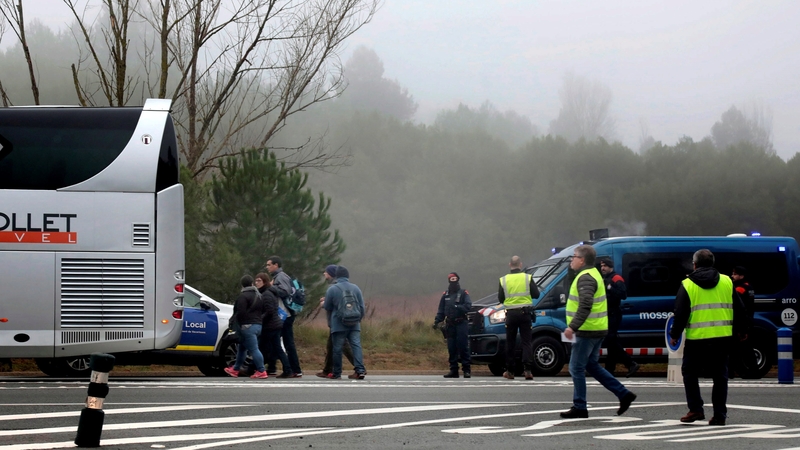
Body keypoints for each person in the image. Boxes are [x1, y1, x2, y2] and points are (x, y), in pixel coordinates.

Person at [669, 249, 749, 425]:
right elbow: (740, 308)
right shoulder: (727, 281)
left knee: (689, 373)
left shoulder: (688, 284)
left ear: (695, 264)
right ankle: (720, 414)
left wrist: (674, 334)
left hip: (697, 338)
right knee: (720, 376)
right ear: (713, 264)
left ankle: (696, 409)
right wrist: (742, 330)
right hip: (722, 337)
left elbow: (681, 313)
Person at [561, 245, 636, 419]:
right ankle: (623, 394)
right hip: (597, 328)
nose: (572, 260)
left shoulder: (586, 278)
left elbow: (585, 304)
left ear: (582, 259)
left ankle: (580, 406)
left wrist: (573, 327)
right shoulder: (593, 274)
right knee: (591, 365)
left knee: (575, 368)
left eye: (574, 257)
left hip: (586, 331)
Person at [498, 255, 540, 380]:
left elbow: (501, 298)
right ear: (520, 265)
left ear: (509, 265)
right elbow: (536, 294)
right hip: (525, 313)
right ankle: (527, 370)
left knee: (510, 342)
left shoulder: (503, 280)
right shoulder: (527, 277)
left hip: (511, 314)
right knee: (526, 342)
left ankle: (510, 371)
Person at [323, 265, 367, 379]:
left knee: (337, 348)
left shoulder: (332, 289)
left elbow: (327, 306)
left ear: (337, 276)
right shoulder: (356, 288)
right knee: (356, 346)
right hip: (354, 323)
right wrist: (358, 319)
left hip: (338, 324)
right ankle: (360, 371)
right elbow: (362, 307)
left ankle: (337, 373)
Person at [598, 257, 640, 377]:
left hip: (613, 314)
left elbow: (623, 294)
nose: (603, 268)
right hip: (607, 314)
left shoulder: (616, 278)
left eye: (605, 266)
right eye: (601, 266)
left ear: (610, 267)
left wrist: (610, 288)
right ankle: (609, 370)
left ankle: (630, 363)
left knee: (610, 340)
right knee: (611, 343)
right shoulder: (605, 279)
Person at [225, 275, 268, 379]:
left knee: (254, 349)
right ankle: (235, 369)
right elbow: (263, 310)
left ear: (242, 284)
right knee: (242, 348)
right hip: (258, 325)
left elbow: (240, 312)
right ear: (252, 283)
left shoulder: (243, 296)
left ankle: (261, 370)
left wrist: (236, 325)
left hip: (247, 326)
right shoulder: (259, 295)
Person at [316, 264, 356, 378]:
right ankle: (327, 370)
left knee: (343, 345)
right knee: (331, 346)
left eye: (326, 272)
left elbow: (329, 305)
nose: (324, 274)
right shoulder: (339, 286)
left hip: (337, 322)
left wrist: (323, 303)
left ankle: (359, 367)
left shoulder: (334, 286)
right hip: (339, 320)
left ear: (331, 274)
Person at [266, 256, 303, 378]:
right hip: (285, 314)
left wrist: (270, 287)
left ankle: (294, 369)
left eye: (269, 265)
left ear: (276, 265)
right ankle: (273, 368)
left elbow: (285, 291)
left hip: (285, 315)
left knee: (285, 343)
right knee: (275, 341)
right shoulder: (280, 277)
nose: (267, 267)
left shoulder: (281, 277)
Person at [433, 272, 472, 378]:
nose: (453, 280)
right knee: (451, 348)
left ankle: (466, 370)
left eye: (455, 278)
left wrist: (457, 307)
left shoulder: (464, 293)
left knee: (463, 347)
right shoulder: (445, 295)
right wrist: (437, 321)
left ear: (458, 279)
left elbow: (468, 306)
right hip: (450, 325)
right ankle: (454, 370)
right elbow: (441, 309)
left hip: (461, 323)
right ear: (449, 280)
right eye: (451, 279)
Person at [255, 272, 293, 378]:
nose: (257, 283)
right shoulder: (268, 292)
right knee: (276, 348)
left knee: (261, 347)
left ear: (265, 282)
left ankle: (253, 368)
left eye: (259, 281)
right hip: (274, 324)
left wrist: (260, 319)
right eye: (256, 280)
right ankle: (287, 369)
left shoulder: (266, 294)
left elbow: (269, 311)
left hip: (270, 326)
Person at [730, 265, 757, 378]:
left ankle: (737, 371)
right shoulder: (749, 287)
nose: (732, 276)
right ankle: (749, 370)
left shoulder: (739, 289)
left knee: (738, 348)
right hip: (747, 320)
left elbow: (737, 306)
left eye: (735, 274)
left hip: (740, 322)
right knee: (745, 348)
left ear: (741, 276)